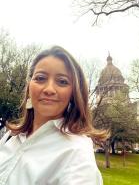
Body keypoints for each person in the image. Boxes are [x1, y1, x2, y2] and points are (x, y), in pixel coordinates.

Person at [0, 46, 107, 185]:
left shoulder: (76, 152)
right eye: (40, 78)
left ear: (73, 93)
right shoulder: (10, 136)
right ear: (29, 87)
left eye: (62, 81)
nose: (49, 89)